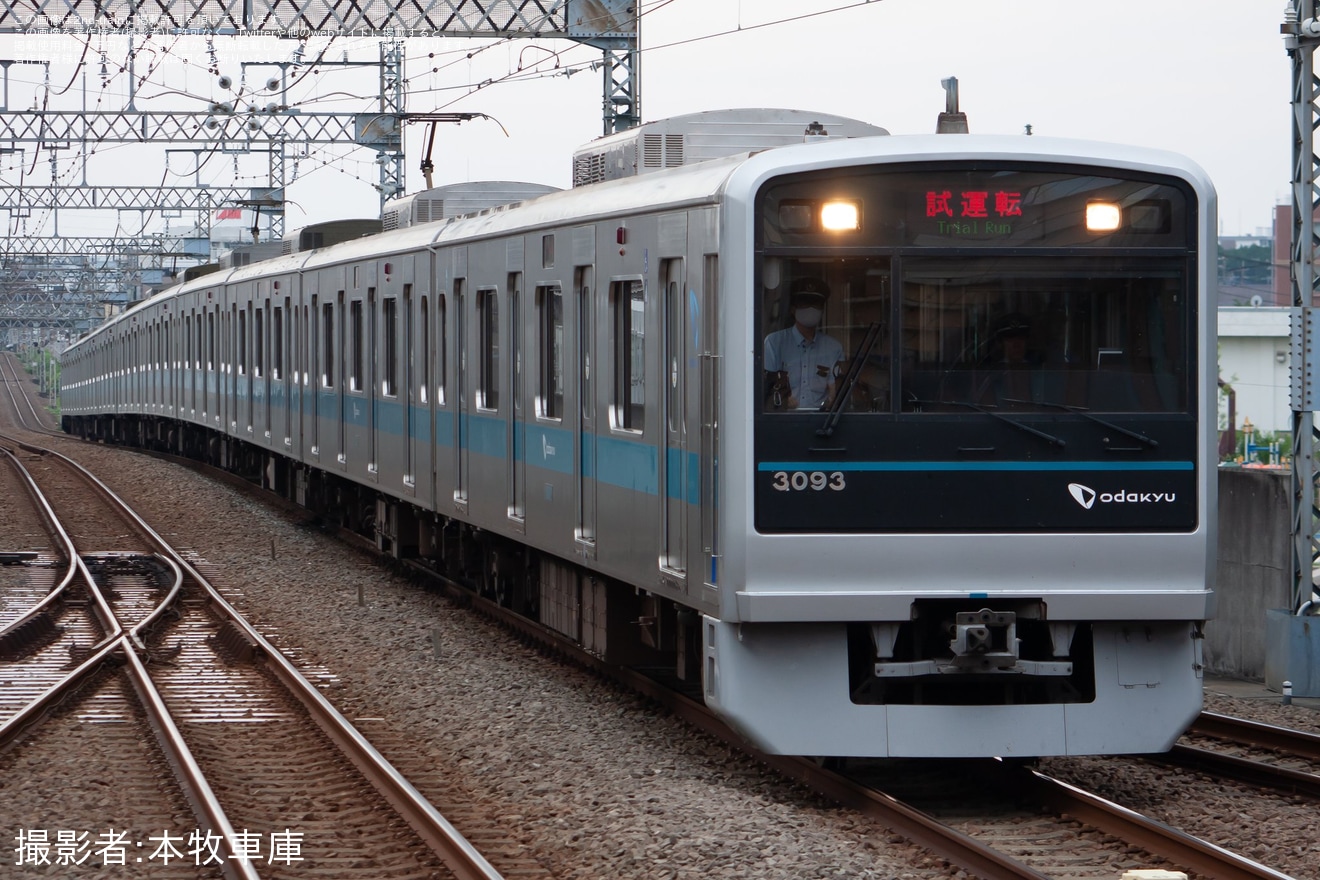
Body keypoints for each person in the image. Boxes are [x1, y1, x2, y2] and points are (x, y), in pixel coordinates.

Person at [763, 277, 845, 410]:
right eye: (804, 304)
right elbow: (765, 388)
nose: (810, 309)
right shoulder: (774, 343)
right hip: (783, 421)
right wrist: (783, 400)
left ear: (822, 311)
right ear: (793, 309)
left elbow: (836, 391)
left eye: (816, 305)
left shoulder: (834, 348)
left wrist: (833, 399)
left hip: (822, 423)